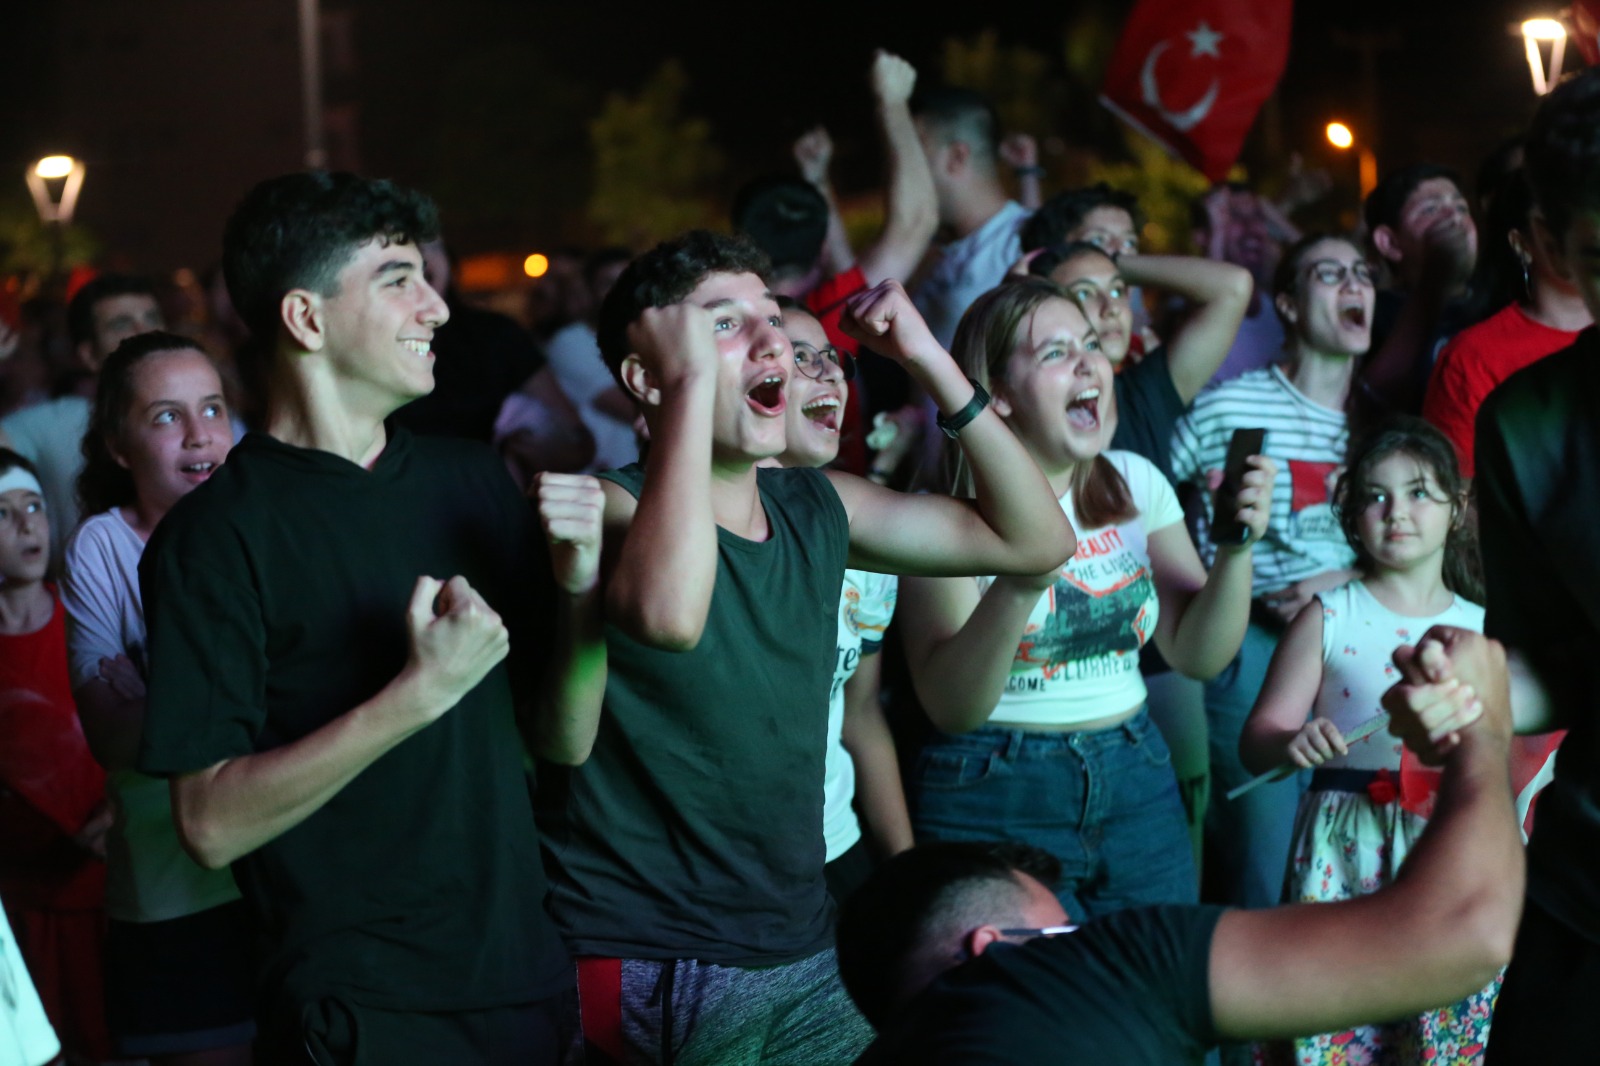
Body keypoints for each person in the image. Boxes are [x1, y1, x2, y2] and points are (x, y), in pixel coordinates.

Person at [528, 230, 1074, 1064]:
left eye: (769, 319)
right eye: (724, 324)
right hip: (657, 954)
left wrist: (929, 358)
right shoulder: (602, 506)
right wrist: (681, 390)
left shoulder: (819, 507)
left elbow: (1037, 543)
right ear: (649, 374)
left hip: (801, 935)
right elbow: (670, 614)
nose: (770, 338)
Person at [135, 171, 571, 1063]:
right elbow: (210, 825)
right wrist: (418, 695)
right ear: (306, 318)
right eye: (398, 278)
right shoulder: (214, 538)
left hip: (526, 978)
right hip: (359, 1010)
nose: (438, 308)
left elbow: (562, 737)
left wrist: (587, 586)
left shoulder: (473, 483)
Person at [837, 622, 1522, 1066]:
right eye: (1065, 930)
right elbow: (1465, 936)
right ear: (989, 947)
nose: (1081, 937)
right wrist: (1485, 733)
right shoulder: (1089, 972)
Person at [897, 277, 1271, 917]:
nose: (1088, 360)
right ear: (1000, 395)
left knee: (1154, 989)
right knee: (1025, 1008)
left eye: (1091, 344)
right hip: (995, 782)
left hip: (1135, 769)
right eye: (1054, 352)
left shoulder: (1137, 484)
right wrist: (1025, 575)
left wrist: (1237, 551)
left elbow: (1197, 655)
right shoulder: (939, 515)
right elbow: (952, 707)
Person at [1413, 67, 1600, 1063]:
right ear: (1561, 249)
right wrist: (1473, 691)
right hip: (1587, 899)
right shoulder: (1526, 421)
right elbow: (1555, 662)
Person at [1240, 417, 1496, 1064]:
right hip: (1342, 847)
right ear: (1352, 514)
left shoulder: (1483, 629)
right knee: (1336, 1022)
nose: (1396, 512)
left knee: (1438, 1029)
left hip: (1447, 844)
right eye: (1376, 496)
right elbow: (1257, 740)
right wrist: (1292, 740)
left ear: (1456, 509)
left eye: (1417, 493)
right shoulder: (1328, 616)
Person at [61, 331, 255, 1065]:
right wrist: (242, 700)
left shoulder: (265, 529)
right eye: (167, 416)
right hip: (173, 893)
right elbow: (112, 735)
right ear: (118, 446)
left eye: (212, 407)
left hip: (284, 868)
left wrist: (163, 698)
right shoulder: (103, 548)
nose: (201, 432)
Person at [1168, 233, 1370, 909]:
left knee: (1355, 845)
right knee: (1262, 854)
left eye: (1364, 274)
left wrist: (1340, 584)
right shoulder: (1230, 406)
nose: (1354, 286)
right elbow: (1138, 497)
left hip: (1355, 642)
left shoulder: (1379, 423)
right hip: (1250, 643)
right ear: (1286, 302)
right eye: (1330, 273)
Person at [768, 299, 912, 900]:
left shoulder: (862, 531)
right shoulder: (675, 536)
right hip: (722, 881)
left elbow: (860, 714)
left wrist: (906, 872)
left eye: (832, 358)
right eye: (800, 358)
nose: (829, 373)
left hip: (838, 848)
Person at [0, 448, 112, 1064]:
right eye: (2, 512)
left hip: (107, 893)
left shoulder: (86, 613)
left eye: (35, 507)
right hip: (24, 905)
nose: (25, 525)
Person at [1421, 168, 1590, 477]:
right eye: (1556, 217)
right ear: (1521, 242)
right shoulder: (1473, 358)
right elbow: (1453, 495)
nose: (1577, 229)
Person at [0, 274, 166, 555]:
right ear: (88, 354)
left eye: (152, 318)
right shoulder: (51, 424)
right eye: (122, 324)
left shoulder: (210, 415)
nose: (144, 331)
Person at [911, 86, 1030, 348]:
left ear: (956, 157)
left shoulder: (1025, 241)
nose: (904, 168)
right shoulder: (931, 251)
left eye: (914, 153)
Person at [1360, 165, 1480, 414]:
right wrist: (1435, 282)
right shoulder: (1372, 312)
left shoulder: (1497, 302)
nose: (1454, 217)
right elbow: (1371, 397)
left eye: (1461, 208)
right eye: (1431, 209)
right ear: (1390, 242)